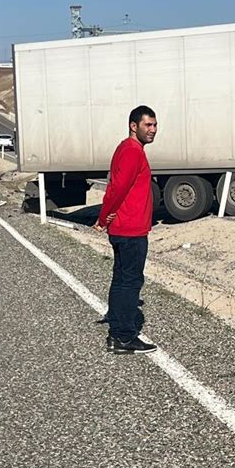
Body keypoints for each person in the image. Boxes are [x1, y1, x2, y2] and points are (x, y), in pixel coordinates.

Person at [94, 105, 158, 354]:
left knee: (122, 280)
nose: (153, 130)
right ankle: (123, 336)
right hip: (130, 230)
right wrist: (103, 218)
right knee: (130, 282)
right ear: (134, 126)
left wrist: (106, 218)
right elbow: (117, 188)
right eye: (148, 125)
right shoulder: (132, 151)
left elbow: (114, 186)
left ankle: (117, 334)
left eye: (154, 125)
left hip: (126, 228)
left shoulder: (128, 148)